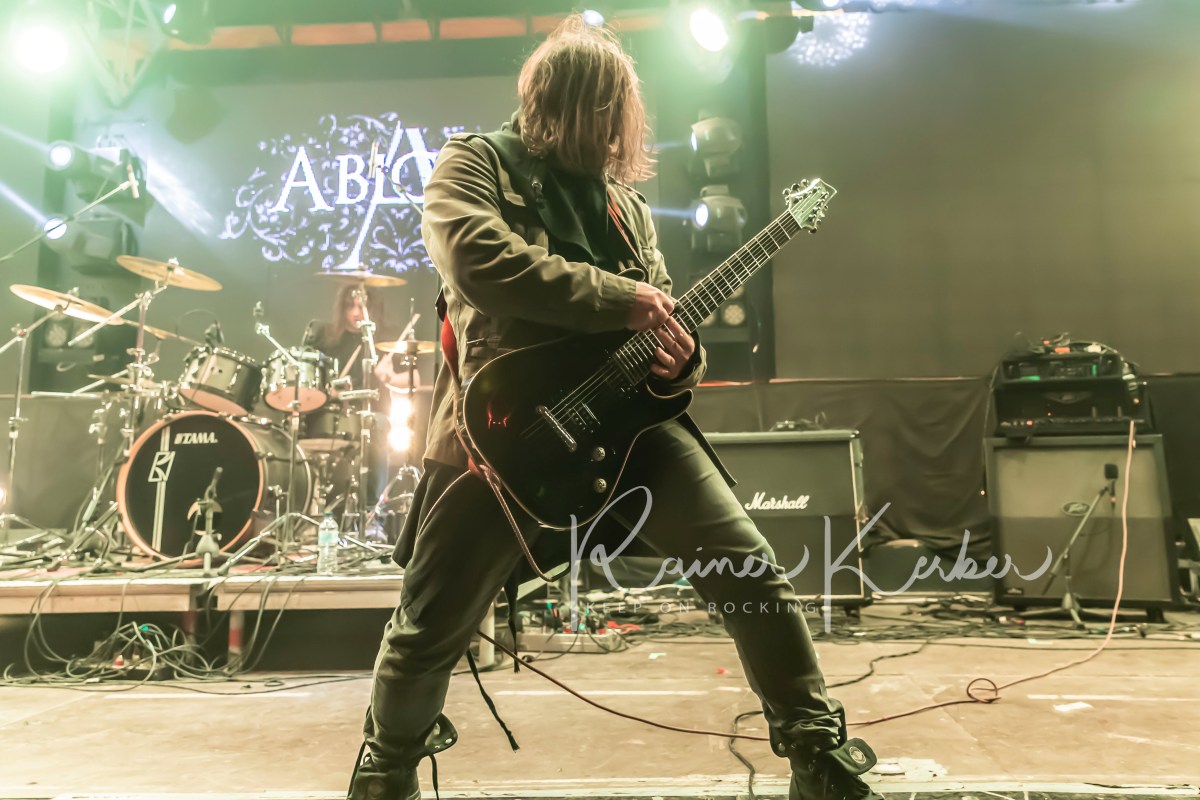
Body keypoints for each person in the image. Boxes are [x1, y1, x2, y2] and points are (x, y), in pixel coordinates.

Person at [349, 15, 883, 800]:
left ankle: (815, 751)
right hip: (503, 429)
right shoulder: (476, 163)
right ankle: (385, 769)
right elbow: (475, 259)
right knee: (430, 623)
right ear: (556, 103)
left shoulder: (623, 209)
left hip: (631, 429)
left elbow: (662, 314)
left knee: (749, 570)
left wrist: (683, 361)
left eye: (618, 116)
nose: (614, 133)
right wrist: (619, 298)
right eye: (602, 112)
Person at [305, 284, 420, 508]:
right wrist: (328, 392)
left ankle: (370, 509)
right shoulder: (327, 338)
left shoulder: (385, 341)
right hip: (333, 414)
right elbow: (313, 381)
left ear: (372, 309)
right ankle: (317, 503)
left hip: (372, 414)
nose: (356, 312)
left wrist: (390, 377)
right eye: (350, 306)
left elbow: (414, 380)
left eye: (361, 306)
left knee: (376, 424)